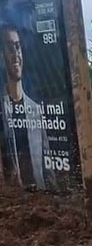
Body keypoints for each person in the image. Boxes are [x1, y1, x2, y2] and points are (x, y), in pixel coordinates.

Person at [0, 23, 52, 190]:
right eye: (9, 48)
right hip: (14, 203)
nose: (15, 54)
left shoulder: (35, 110)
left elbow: (47, 166)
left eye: (17, 47)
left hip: (38, 200)